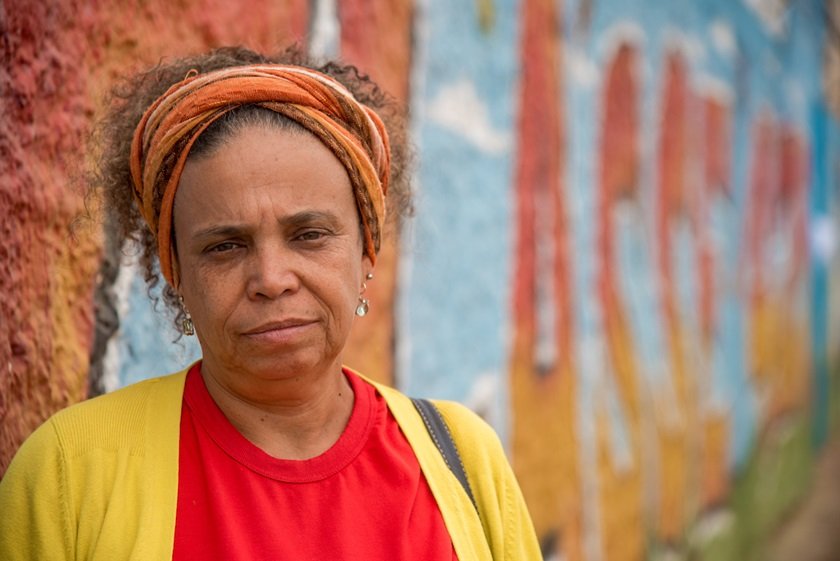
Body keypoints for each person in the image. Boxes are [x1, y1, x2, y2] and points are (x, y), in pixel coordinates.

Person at [0, 46, 541, 560]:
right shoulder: (71, 474)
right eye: (224, 246)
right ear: (176, 271)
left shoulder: (460, 459)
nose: (271, 279)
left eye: (308, 235)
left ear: (366, 250)